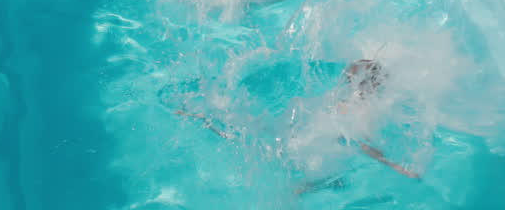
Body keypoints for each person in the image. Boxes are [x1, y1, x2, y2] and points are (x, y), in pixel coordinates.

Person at [175, 58, 421, 185]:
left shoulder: (337, 99)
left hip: (291, 130)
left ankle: (201, 116)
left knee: (244, 132)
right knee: (331, 181)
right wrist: (395, 165)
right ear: (375, 87)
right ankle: (299, 190)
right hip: (303, 150)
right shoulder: (364, 110)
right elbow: (364, 145)